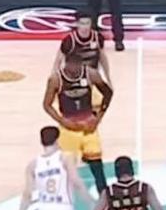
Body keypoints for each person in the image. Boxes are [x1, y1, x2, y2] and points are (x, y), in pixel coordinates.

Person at [43, 53, 113, 193]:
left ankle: (104, 198)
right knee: (65, 168)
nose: (74, 70)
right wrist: (61, 120)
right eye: (71, 67)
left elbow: (108, 93)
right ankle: (60, 196)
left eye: (77, 67)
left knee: (97, 167)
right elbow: (47, 105)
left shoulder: (91, 74)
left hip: (89, 127)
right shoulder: (56, 79)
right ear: (66, 64)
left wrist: (98, 117)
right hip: (69, 129)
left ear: (81, 65)